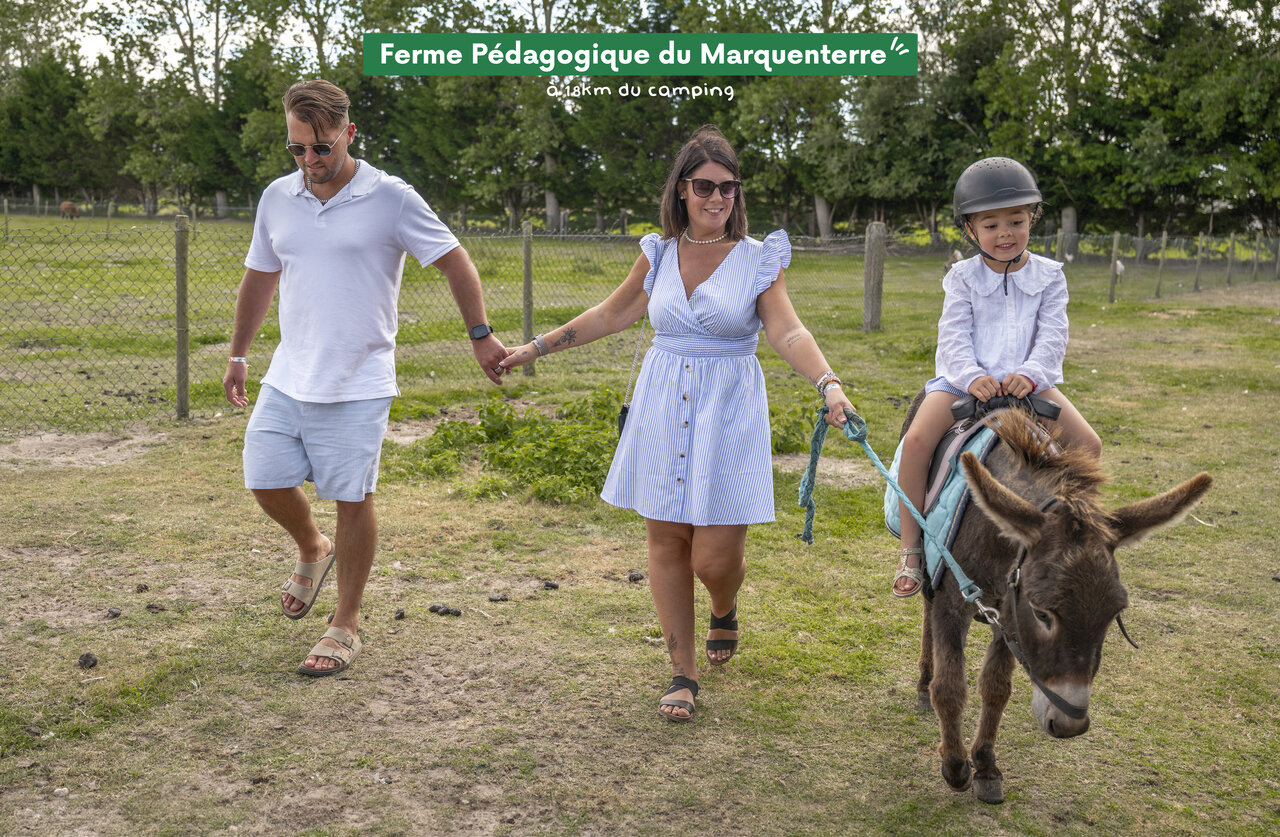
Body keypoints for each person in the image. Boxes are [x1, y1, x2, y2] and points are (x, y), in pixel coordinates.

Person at [498, 126, 857, 721]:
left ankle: (723, 605)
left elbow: (786, 330)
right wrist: (534, 349)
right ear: (682, 190)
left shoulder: (757, 259)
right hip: (662, 403)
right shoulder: (659, 253)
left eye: (729, 187)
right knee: (666, 541)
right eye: (705, 186)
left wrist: (829, 383)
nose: (718, 198)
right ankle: (681, 672)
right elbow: (611, 314)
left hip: (730, 409)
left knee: (713, 558)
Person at [222, 79, 507, 676]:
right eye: (297, 149)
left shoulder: (391, 197)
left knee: (352, 498)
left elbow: (456, 261)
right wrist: (239, 353)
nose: (309, 161)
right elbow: (259, 276)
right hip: (289, 373)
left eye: (320, 147)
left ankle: (345, 623)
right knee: (263, 477)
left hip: (359, 377)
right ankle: (311, 547)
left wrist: (480, 336)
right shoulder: (278, 197)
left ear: (349, 133)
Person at [892, 156, 1103, 598]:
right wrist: (970, 377)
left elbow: (1053, 334)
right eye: (991, 225)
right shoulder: (962, 278)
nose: (1004, 233)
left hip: (1029, 381)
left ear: (1032, 220)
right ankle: (911, 546)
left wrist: (1031, 373)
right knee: (916, 441)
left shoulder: (1050, 277)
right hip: (962, 381)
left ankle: (1075, 537)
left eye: (1016, 221)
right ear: (970, 229)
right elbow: (952, 336)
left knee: (1088, 444)